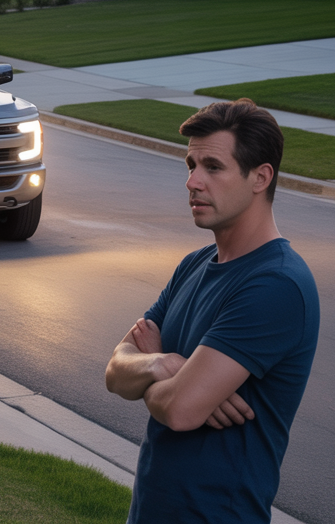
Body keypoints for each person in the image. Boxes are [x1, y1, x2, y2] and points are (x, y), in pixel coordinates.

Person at [104, 98, 320, 523]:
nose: (192, 181)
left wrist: (170, 382)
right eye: (190, 165)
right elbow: (115, 371)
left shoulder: (276, 284)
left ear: (260, 177)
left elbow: (182, 412)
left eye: (213, 168)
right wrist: (166, 364)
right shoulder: (194, 265)